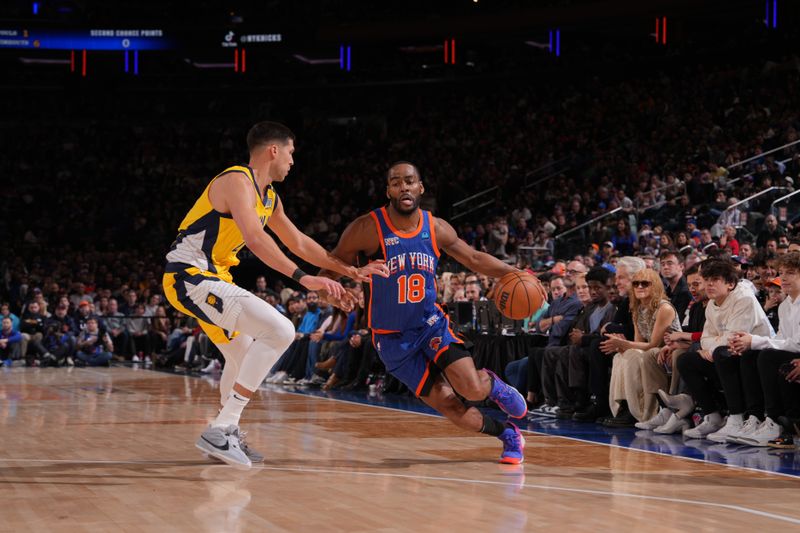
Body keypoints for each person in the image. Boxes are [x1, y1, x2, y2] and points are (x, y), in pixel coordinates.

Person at [162, 121, 388, 469]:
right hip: (189, 274)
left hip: (210, 278)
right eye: (291, 153)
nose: (293, 161)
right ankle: (222, 427)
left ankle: (224, 433)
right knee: (281, 330)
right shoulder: (237, 180)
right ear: (274, 150)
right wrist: (303, 278)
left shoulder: (270, 197)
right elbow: (254, 238)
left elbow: (299, 242)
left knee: (241, 353)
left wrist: (350, 271)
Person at [318, 161, 529, 464]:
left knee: (471, 386)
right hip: (391, 340)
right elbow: (329, 268)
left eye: (409, 181)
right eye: (396, 182)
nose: (403, 186)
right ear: (388, 190)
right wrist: (333, 294)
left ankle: (493, 384)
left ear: (420, 188)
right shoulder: (366, 228)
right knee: (452, 408)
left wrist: (515, 273)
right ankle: (507, 433)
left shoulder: (436, 227)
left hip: (430, 324)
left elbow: (473, 258)